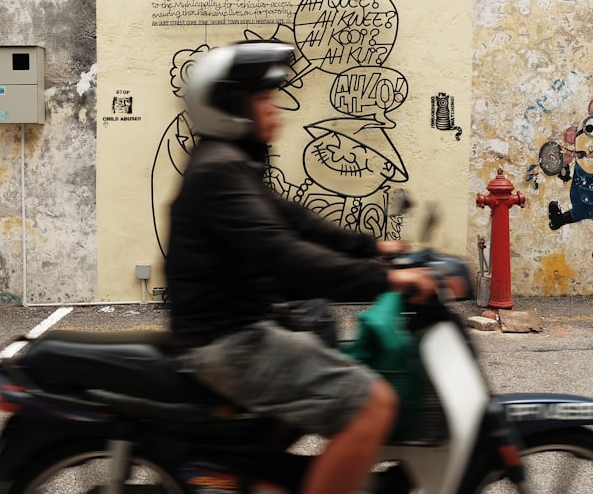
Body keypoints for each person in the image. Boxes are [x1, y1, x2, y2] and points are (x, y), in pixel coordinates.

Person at [165, 41, 437, 494]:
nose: (275, 111)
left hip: (235, 326)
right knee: (373, 403)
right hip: (228, 341)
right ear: (230, 106)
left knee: (331, 345)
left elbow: (297, 221)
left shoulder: (231, 163)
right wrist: (386, 278)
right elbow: (285, 253)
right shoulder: (220, 171)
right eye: (262, 99)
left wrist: (376, 246)